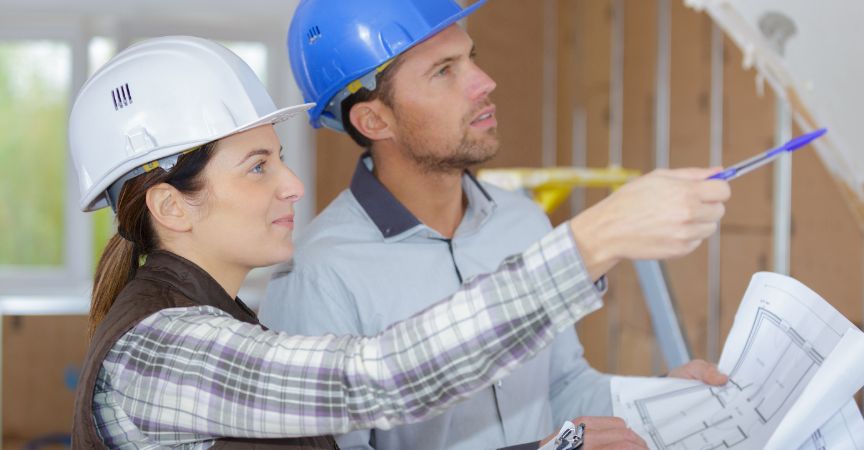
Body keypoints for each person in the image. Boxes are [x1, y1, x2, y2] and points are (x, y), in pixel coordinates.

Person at [69, 36, 659, 448]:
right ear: (172, 206)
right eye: (257, 168)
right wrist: (588, 244)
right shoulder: (167, 351)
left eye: (279, 161)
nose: (295, 186)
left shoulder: (222, 322)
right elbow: (375, 378)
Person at [261, 1, 731, 450]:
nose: (484, 82)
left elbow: (563, 387)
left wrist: (659, 398)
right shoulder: (317, 274)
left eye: (471, 59)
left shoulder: (521, 220)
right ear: (375, 119)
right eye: (444, 71)